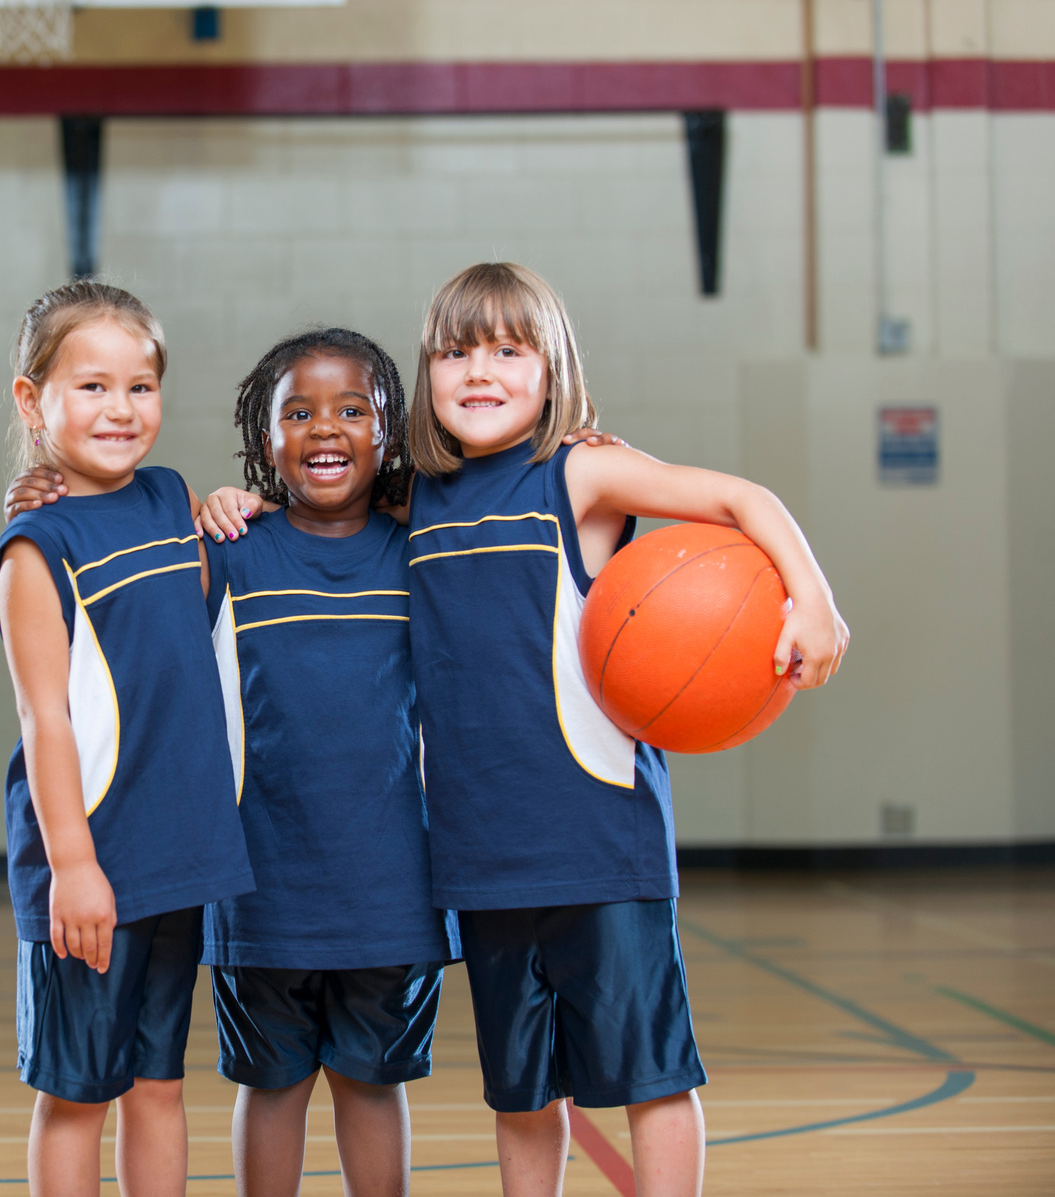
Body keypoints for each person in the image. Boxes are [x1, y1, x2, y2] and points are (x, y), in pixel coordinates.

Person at [198, 263, 850, 1197]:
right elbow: (320, 499)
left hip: (599, 845)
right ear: (424, 378)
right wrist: (229, 501)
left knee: (649, 1076)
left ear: (552, 370)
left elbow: (743, 500)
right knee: (520, 1095)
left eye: (508, 350)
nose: (480, 371)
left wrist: (813, 598)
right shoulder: (416, 500)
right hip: (478, 863)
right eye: (455, 352)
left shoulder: (579, 473)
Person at [0, 280, 254, 1197]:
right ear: (34, 401)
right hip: (90, 867)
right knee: (77, 1094)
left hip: (179, 856)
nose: (120, 408)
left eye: (139, 387)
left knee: (158, 1085)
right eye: (92, 385)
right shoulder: (36, 546)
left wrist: (226, 502)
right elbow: (45, 718)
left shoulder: (168, 498)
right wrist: (73, 864)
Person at [202, 329, 454, 1197]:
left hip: (393, 888)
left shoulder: (420, 549)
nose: (324, 429)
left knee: (370, 1084)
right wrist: (38, 491)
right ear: (262, 439)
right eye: (297, 412)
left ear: (388, 431)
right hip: (262, 885)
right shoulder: (230, 550)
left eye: (352, 410)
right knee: (270, 1086)